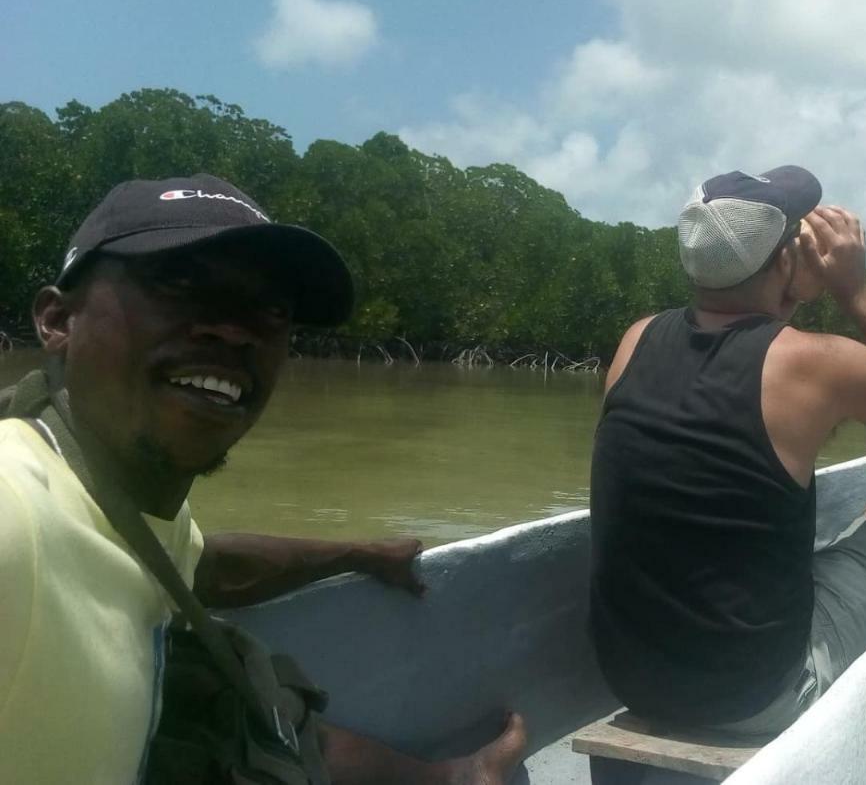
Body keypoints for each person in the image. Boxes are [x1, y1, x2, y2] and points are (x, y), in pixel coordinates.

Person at [0, 174, 526, 783]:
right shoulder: (17, 513)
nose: (233, 328)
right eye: (177, 282)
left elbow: (202, 564)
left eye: (271, 310)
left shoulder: (113, 501)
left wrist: (361, 553)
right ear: (56, 320)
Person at [589, 166, 866, 735]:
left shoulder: (636, 339)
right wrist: (853, 291)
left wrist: (785, 291)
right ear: (786, 260)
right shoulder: (817, 364)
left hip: (632, 680)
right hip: (757, 695)